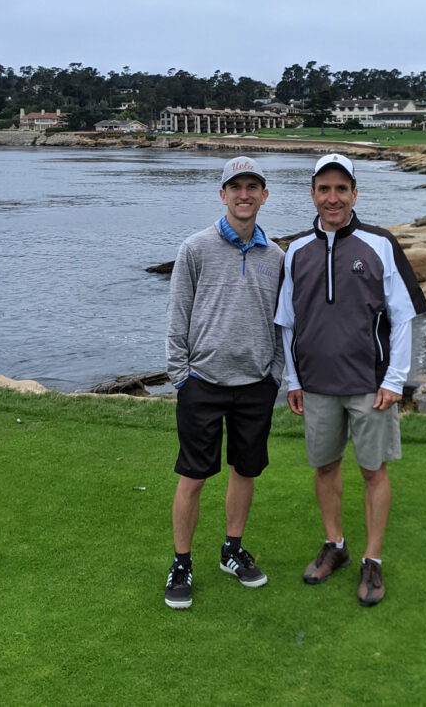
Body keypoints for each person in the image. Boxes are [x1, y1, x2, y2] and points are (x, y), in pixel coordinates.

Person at [275, 153, 426, 607]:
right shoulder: (296, 251)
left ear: (355, 194)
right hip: (316, 385)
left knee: (372, 470)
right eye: (324, 188)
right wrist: (293, 378)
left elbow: (402, 319)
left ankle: (373, 560)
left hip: (370, 384)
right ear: (313, 194)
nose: (333, 197)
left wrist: (395, 380)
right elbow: (287, 322)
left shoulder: (380, 244)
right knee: (325, 467)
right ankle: (336, 546)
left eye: (342, 188)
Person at [164, 155, 284, 610]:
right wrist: (181, 377)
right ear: (222, 194)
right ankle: (181, 562)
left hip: (255, 384)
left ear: (264, 195)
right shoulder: (195, 248)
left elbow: (281, 324)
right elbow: (178, 316)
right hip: (204, 382)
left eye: (253, 186)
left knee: (245, 470)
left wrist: (275, 375)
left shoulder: (277, 257)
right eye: (236, 186)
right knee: (193, 475)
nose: (244, 194)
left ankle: (231, 550)